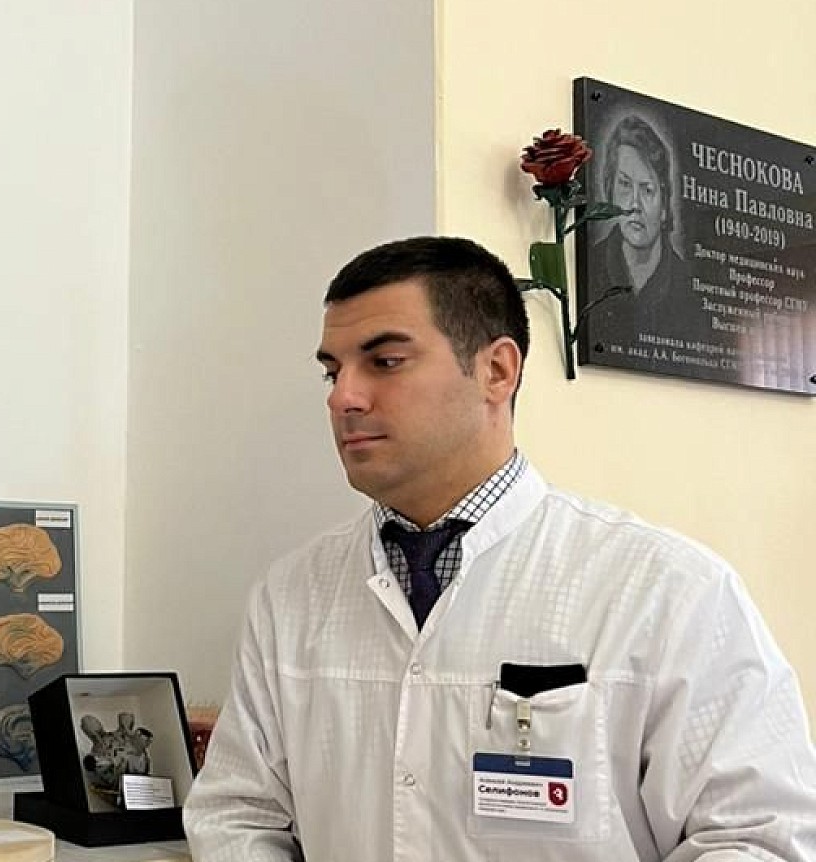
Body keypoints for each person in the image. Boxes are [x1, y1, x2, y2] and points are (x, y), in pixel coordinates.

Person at [183, 237, 816, 860]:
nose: (342, 397)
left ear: (497, 371)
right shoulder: (292, 595)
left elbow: (759, 838)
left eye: (385, 362)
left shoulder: (666, 590)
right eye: (332, 370)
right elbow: (238, 814)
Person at [583, 114, 706, 352]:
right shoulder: (590, 267)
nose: (634, 204)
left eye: (647, 190)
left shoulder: (690, 290)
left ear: (664, 204)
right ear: (610, 190)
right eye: (624, 185)